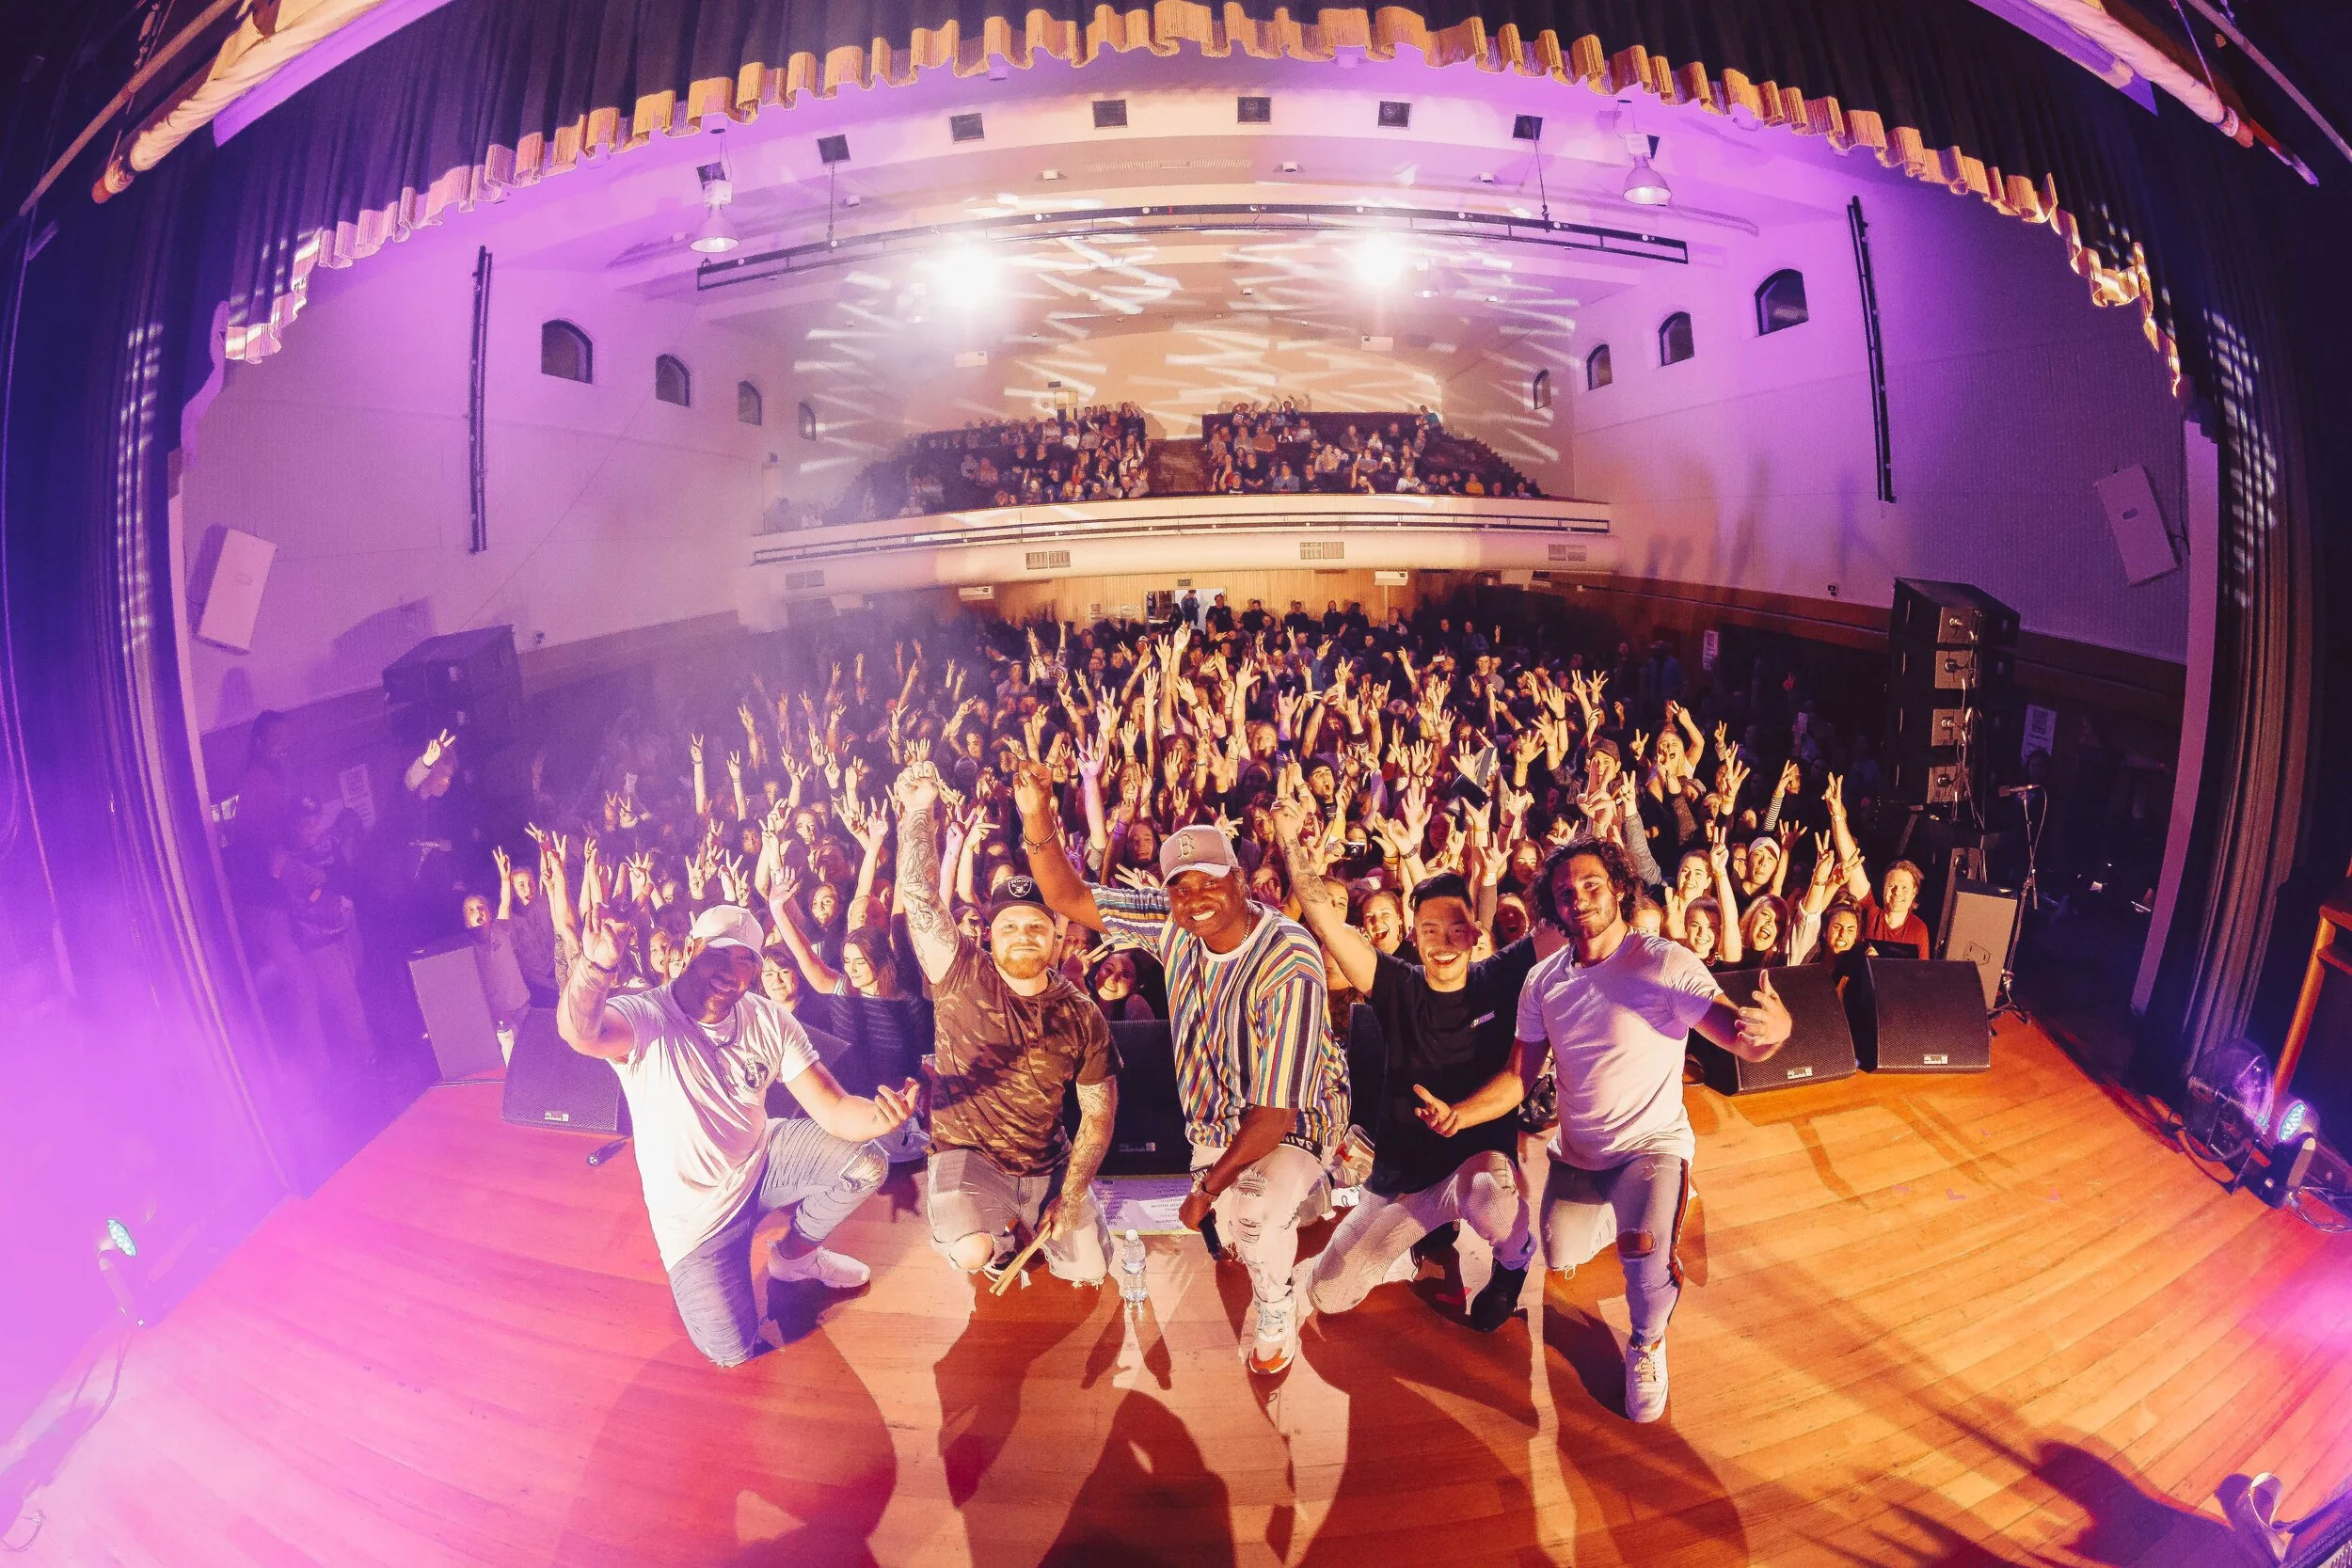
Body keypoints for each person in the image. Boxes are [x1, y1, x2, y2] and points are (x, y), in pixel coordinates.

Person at [1437, 838, 1790, 1422]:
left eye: (1592, 885)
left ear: (1620, 887)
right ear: (1554, 908)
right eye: (1566, 894)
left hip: (1651, 1144)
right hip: (1579, 1153)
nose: (1580, 900)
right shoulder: (1543, 982)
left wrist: (1771, 1030)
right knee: (1561, 1250)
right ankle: (1638, 1209)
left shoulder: (1663, 964)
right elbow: (1518, 1077)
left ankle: (1647, 1341)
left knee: (1645, 1257)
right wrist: (1460, 1115)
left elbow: (1738, 1035)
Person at [1014, 761, 1346, 1376]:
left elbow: (1274, 1114)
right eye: (1178, 887)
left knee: (1248, 1215)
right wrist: (1037, 812)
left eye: (1208, 882)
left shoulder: (1288, 958)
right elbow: (1065, 894)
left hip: (1296, 1109)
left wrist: (1207, 1188)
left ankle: (1277, 1302)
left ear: (1241, 880)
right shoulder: (1171, 921)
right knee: (1212, 1208)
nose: (1192, 899)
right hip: (1216, 1107)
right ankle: (1275, 1202)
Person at [556, 902, 918, 1369]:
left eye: (746, 959)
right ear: (690, 949)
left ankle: (793, 1259)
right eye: (720, 954)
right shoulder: (648, 1015)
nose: (732, 970)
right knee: (730, 1351)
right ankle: (730, 1268)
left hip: (762, 1159)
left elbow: (832, 1108)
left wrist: (879, 1119)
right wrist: (597, 966)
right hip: (696, 1218)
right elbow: (579, 1033)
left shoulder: (768, 1020)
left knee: (868, 1161)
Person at [1273, 800, 1546, 1332]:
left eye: (1454, 929)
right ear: (1412, 935)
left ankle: (1513, 1261)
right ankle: (1424, 1239)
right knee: (1328, 1294)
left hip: (1477, 1165)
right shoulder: (1395, 984)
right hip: (1406, 1178)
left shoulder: (1501, 977)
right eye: (1428, 930)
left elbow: (1568, 919)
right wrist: (1288, 841)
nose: (1442, 943)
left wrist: (1596, 832)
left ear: (1473, 931)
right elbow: (1325, 919)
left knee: (1487, 1193)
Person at [894, 763, 1120, 1286]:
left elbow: (1098, 1117)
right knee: (972, 1251)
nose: (1022, 936)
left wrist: (1070, 1192)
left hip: (1045, 1165)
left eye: (1035, 926)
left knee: (1090, 1271)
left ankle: (1037, 1225)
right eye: (1008, 926)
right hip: (968, 1159)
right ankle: (992, 1238)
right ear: (989, 935)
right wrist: (919, 812)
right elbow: (922, 898)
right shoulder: (959, 972)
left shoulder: (1082, 1014)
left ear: (1057, 935)